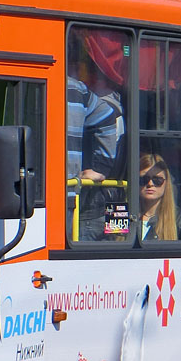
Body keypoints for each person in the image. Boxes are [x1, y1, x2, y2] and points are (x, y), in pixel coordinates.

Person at [67, 67, 126, 240]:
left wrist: (99, 169)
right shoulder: (113, 106)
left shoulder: (84, 96)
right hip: (112, 201)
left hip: (94, 205)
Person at [138, 153, 181, 240]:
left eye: (157, 180)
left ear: (166, 183)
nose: (150, 184)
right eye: (144, 179)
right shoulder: (125, 216)